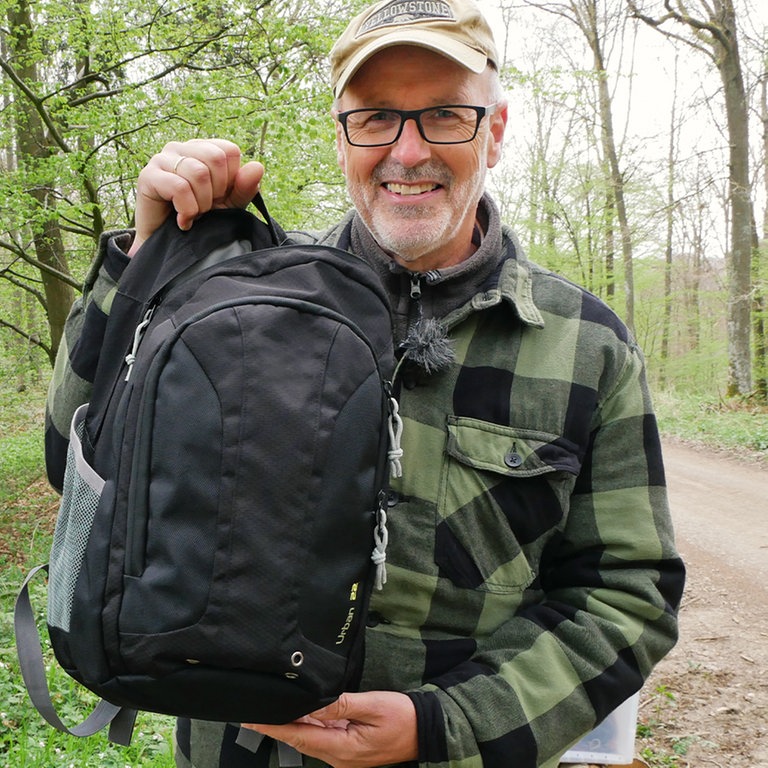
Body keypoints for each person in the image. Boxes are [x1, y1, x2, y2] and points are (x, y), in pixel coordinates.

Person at [44, 0, 685, 766]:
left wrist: (444, 725)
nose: (407, 151)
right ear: (342, 134)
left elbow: (627, 596)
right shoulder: (233, 298)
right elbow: (71, 462)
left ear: (497, 130)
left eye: (446, 115)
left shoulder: (586, 345)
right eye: (377, 117)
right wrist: (149, 262)